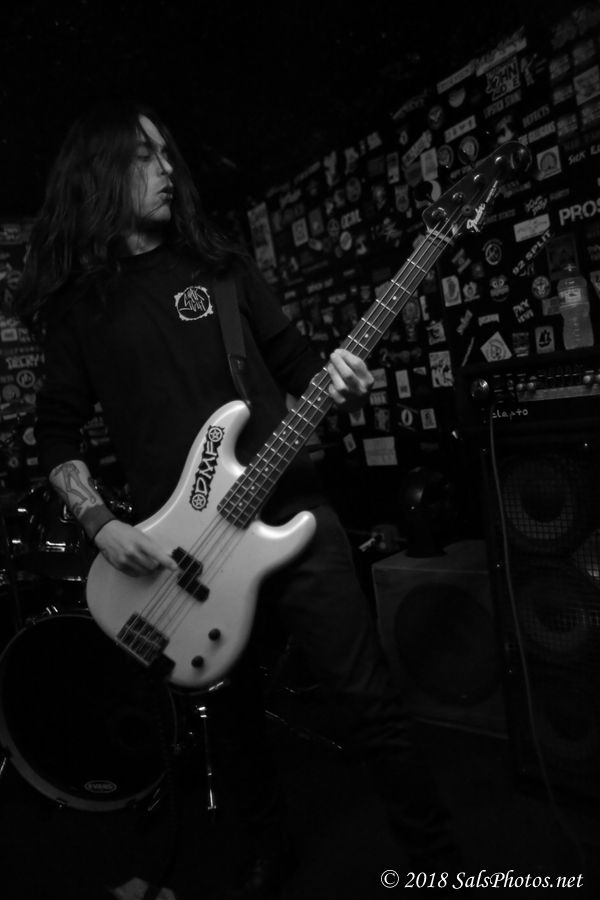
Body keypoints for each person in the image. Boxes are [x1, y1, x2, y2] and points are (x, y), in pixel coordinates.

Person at [16, 102, 461, 899]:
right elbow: (56, 432)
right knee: (234, 721)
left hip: (290, 509)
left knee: (368, 700)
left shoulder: (219, 267)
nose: (167, 168)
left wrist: (343, 384)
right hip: (184, 556)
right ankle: (269, 853)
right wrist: (98, 522)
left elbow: (299, 368)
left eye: (167, 154)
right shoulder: (83, 310)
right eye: (145, 155)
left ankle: (441, 866)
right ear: (100, 170)